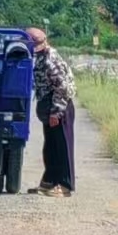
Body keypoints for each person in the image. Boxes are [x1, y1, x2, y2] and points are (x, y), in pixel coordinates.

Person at [25, 27, 75, 196]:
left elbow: (62, 87)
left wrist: (56, 112)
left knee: (63, 147)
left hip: (59, 107)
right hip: (50, 107)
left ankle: (65, 186)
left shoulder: (49, 58)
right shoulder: (39, 57)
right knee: (51, 147)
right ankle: (50, 182)